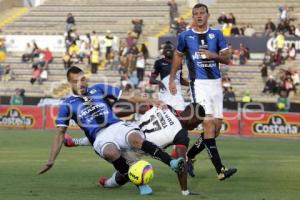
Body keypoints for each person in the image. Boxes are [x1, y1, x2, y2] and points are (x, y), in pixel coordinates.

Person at [38, 66, 185, 196]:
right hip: (99, 137)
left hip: (116, 126)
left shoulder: (99, 88)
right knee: (111, 152)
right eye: (76, 81)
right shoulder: (67, 104)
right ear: (69, 83)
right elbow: (60, 133)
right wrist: (51, 160)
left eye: (83, 79)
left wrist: (152, 101)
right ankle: (141, 185)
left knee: (136, 139)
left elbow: (129, 95)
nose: (81, 84)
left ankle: (172, 163)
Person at [64, 103, 205, 196]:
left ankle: (75, 141)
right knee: (128, 174)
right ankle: (107, 183)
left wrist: (116, 115)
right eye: (198, 123)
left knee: (108, 136)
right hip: (137, 148)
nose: (197, 127)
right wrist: (185, 190)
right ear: (193, 119)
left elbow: (140, 108)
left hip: (130, 128)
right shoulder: (182, 135)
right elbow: (181, 163)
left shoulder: (165, 107)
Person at [169, 3, 237, 181]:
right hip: (198, 84)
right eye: (196, 14)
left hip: (216, 84)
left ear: (208, 15)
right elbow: (177, 56)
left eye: (202, 13)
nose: (199, 16)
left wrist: (213, 55)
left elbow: (228, 58)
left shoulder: (217, 34)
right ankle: (220, 170)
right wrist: (172, 78)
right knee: (208, 124)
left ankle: (188, 157)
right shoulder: (185, 36)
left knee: (215, 130)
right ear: (193, 17)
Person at [150, 41, 188, 111]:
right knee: (166, 114)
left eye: (170, 48)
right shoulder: (159, 62)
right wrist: (159, 82)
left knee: (180, 113)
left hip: (177, 93)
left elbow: (180, 79)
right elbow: (151, 80)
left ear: (174, 50)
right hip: (165, 93)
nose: (168, 49)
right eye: (166, 48)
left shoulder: (179, 63)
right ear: (163, 51)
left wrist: (190, 84)